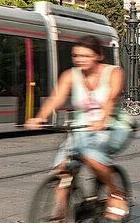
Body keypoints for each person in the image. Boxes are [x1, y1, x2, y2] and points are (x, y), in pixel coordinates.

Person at [25, 35, 132, 222]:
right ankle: (62, 214)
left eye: (85, 55)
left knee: (90, 153)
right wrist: (40, 117)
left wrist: (103, 118)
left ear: (98, 55)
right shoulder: (70, 75)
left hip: (113, 127)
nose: (80, 59)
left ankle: (116, 194)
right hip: (81, 128)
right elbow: (56, 98)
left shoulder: (114, 73)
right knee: (62, 169)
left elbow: (112, 97)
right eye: (76, 56)